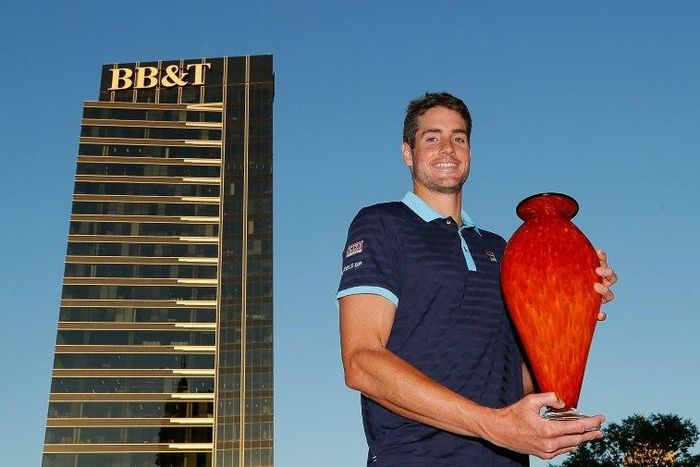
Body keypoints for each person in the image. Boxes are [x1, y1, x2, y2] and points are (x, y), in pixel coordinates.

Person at [337, 92, 618, 466]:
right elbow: (361, 362)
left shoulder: (503, 250)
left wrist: (571, 314)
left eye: (459, 138)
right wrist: (492, 424)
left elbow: (520, 379)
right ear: (408, 152)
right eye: (431, 138)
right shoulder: (382, 224)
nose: (448, 149)